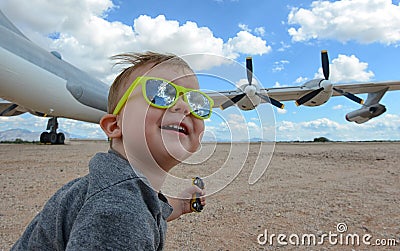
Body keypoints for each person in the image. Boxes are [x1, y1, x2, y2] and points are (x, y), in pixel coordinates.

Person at [12, 51, 213, 250]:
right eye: (160, 93)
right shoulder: (119, 212)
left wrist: (180, 205)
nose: (184, 107)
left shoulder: (115, 189)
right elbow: (129, 216)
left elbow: (147, 209)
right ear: (114, 126)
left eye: (197, 103)